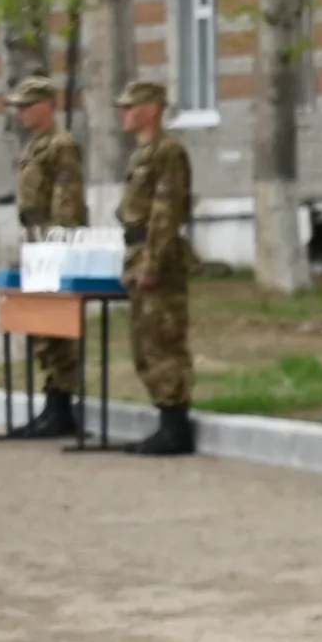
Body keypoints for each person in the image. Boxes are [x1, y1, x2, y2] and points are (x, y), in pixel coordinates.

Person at [117, 78, 198, 456]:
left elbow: (165, 213)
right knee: (145, 342)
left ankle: (175, 425)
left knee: (163, 340)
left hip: (158, 258)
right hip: (138, 251)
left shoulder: (167, 152)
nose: (125, 113)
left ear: (152, 108)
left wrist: (151, 262)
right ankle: (165, 419)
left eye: (132, 106)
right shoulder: (142, 154)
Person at [8, 73, 84, 436]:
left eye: (27, 106)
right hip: (36, 240)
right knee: (41, 328)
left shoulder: (60, 145)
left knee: (59, 331)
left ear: (47, 105)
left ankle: (63, 405)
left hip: (53, 243)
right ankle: (51, 404)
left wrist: (57, 246)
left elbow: (66, 201)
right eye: (19, 107)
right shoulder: (35, 146)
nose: (21, 113)